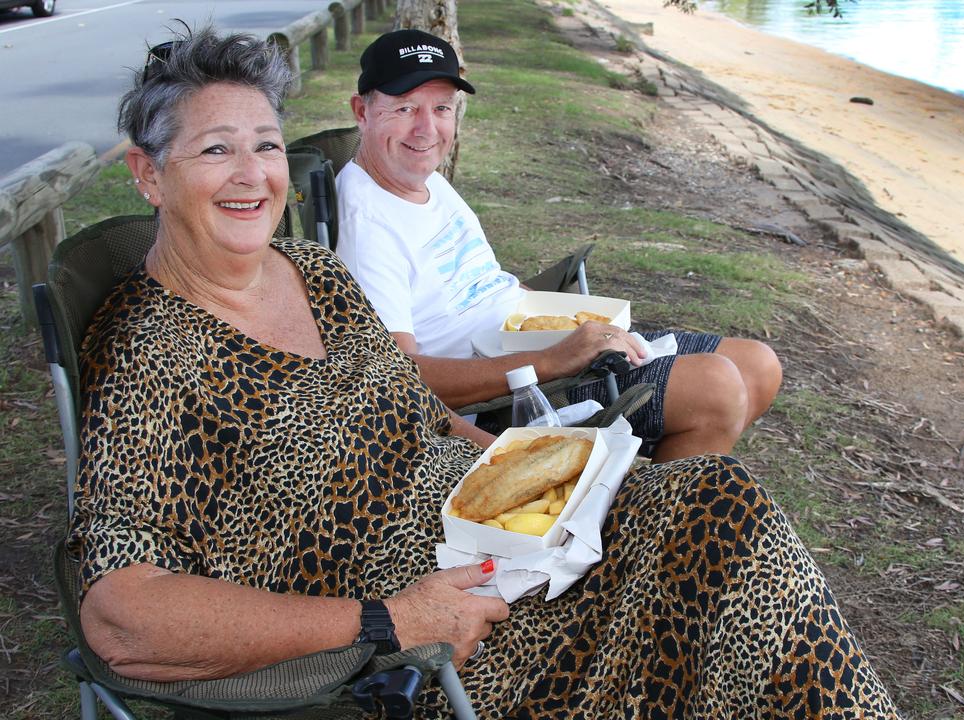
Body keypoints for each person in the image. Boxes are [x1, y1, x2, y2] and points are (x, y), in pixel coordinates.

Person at [67, 27, 899, 718]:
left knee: (715, 496)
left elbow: (416, 408)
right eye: (216, 150)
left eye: (268, 146)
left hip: (503, 531)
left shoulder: (311, 273)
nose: (252, 175)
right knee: (699, 587)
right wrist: (389, 620)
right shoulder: (149, 353)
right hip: (437, 612)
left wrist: (537, 464)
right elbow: (122, 614)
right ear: (149, 173)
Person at [335, 30, 782, 463]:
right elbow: (398, 376)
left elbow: (480, 284)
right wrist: (553, 358)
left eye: (441, 108)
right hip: (507, 397)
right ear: (362, 110)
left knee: (758, 365)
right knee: (716, 389)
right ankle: (638, 520)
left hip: (531, 345)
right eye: (405, 108)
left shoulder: (420, 179)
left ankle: (639, 489)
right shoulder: (367, 222)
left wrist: (563, 326)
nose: (426, 129)